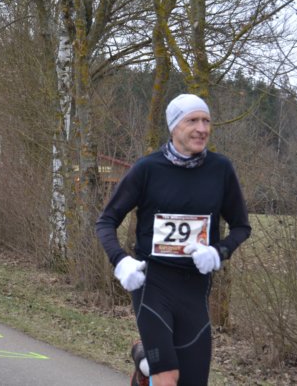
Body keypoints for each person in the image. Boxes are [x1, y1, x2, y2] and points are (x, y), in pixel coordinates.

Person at [95, 94, 251, 386]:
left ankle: (144, 364)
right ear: (173, 126)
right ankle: (152, 367)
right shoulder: (147, 169)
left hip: (195, 288)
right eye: (192, 120)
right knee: (167, 378)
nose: (202, 128)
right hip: (152, 283)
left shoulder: (220, 169)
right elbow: (106, 221)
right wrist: (121, 261)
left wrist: (218, 252)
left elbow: (242, 226)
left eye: (206, 121)